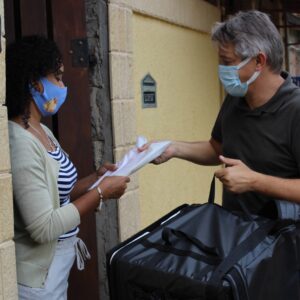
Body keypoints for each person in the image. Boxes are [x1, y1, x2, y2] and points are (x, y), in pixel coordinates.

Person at [140, 10, 300, 219]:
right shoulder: (236, 97)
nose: (221, 69)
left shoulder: (295, 109)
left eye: (227, 61)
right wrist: (172, 148)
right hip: (236, 237)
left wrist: (254, 181)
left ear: (259, 61)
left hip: (284, 244)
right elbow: (218, 148)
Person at [6, 35, 130, 299]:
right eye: (58, 77)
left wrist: (97, 179)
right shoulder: (19, 141)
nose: (63, 85)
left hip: (56, 269)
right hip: (37, 283)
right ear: (35, 83)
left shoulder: (41, 130)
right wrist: (99, 193)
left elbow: (60, 192)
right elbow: (43, 227)